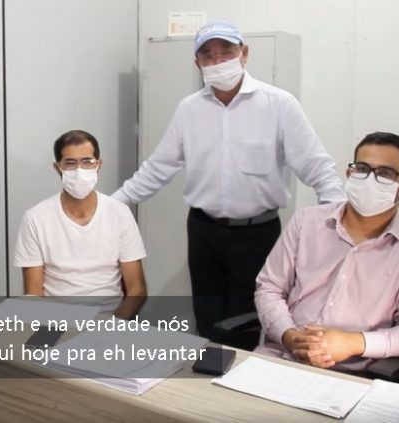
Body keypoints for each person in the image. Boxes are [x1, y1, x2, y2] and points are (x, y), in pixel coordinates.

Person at [111, 21, 346, 344]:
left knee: (248, 321)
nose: (218, 61)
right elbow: (157, 168)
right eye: (208, 55)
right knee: (207, 318)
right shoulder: (189, 110)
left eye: (226, 52)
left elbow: (317, 167)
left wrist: (338, 224)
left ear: (244, 54)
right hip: (204, 231)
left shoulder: (278, 104)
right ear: (198, 64)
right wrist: (108, 207)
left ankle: (240, 373)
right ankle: (207, 371)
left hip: (257, 235)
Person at [255, 132, 399, 372]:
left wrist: (352, 343)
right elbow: (269, 288)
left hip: (353, 374)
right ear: (349, 173)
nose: (370, 180)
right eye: (362, 169)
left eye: (385, 174)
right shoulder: (306, 222)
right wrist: (289, 336)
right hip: (280, 358)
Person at [14, 130, 147, 319]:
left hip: (109, 317)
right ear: (57, 168)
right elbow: (33, 295)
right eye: (70, 163)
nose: (79, 170)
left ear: (98, 165)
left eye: (87, 162)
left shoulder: (120, 213)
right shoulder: (35, 218)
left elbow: (137, 291)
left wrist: (110, 327)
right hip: (55, 320)